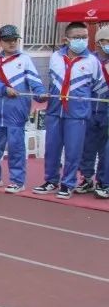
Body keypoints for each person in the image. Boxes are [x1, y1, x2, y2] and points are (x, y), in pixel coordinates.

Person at [32, 22, 102, 199]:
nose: (81, 40)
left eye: (84, 37)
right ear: (66, 39)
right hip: (55, 111)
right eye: (77, 37)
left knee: (73, 151)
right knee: (52, 149)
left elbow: (99, 88)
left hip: (77, 114)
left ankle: (68, 183)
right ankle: (51, 180)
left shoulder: (92, 61)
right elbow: (52, 81)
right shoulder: (55, 56)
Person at [0, 25, 46, 193]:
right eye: (7, 40)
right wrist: (3, 89)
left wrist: (40, 94)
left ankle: (17, 181)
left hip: (16, 112)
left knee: (16, 148)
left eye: (15, 40)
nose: (12, 43)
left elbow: (35, 82)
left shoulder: (25, 59)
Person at [78, 26, 109, 195]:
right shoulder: (89, 60)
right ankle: (87, 178)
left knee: (106, 150)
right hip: (89, 111)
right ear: (98, 43)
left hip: (107, 113)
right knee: (87, 147)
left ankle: (104, 182)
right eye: (107, 42)